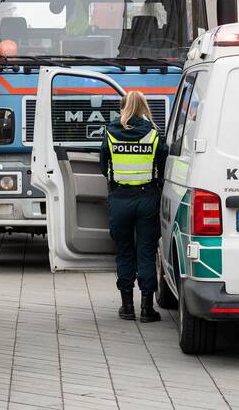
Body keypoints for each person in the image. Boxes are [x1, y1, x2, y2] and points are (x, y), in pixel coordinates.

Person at [99, 90, 167, 323]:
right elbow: (163, 164)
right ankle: (147, 310)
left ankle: (127, 307)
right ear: (144, 107)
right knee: (147, 253)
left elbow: (102, 165)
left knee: (124, 252)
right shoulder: (154, 135)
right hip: (147, 198)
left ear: (123, 107)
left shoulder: (110, 132)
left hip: (119, 199)